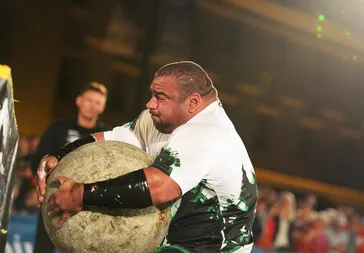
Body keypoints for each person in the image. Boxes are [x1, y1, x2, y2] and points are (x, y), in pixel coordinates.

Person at [35, 61, 258, 253]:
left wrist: (79, 195)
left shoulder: (208, 130)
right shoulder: (158, 119)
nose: (150, 104)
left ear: (193, 102)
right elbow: (114, 138)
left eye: (160, 97)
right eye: (153, 94)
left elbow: (159, 185)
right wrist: (60, 155)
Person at [32, 82, 110, 253]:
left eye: (97, 102)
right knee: (43, 248)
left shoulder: (107, 135)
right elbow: (39, 160)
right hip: (52, 198)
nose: (92, 106)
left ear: (103, 107)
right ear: (79, 101)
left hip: (86, 204)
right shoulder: (57, 128)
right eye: (89, 100)